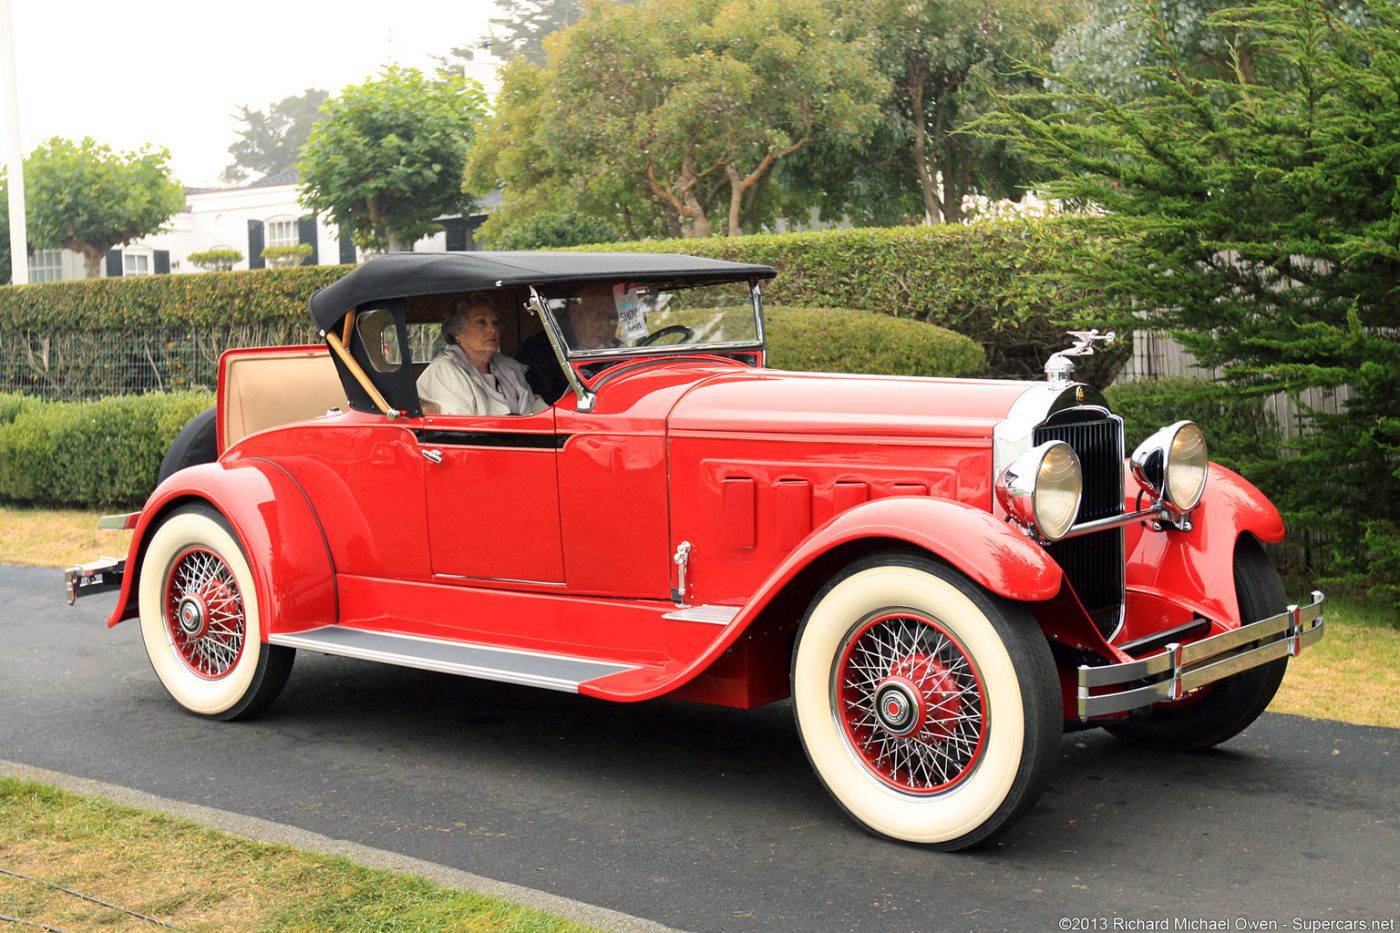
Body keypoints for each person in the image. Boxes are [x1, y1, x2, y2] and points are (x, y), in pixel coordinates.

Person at [417, 299, 546, 416]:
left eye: (495, 323)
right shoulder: (444, 371)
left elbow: (537, 408)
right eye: (481, 322)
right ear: (457, 332)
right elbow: (461, 429)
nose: (492, 329)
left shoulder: (509, 367)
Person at [514, 284, 621, 404]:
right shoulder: (537, 351)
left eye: (613, 318)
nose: (606, 327)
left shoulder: (620, 349)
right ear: (575, 313)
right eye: (598, 315)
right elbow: (548, 403)